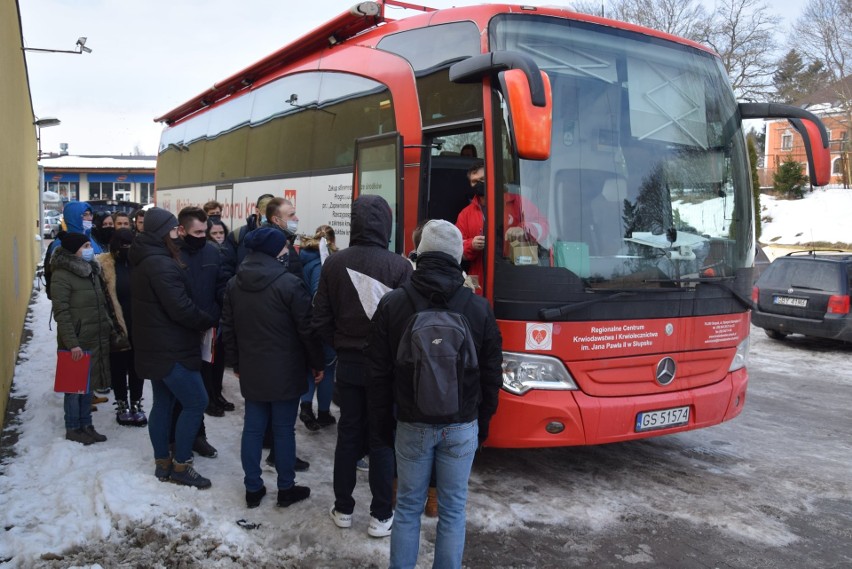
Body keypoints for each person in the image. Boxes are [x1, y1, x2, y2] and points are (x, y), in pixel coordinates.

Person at [366, 220, 503, 568]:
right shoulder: (478, 308)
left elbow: (378, 374)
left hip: (411, 423)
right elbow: (491, 374)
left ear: (420, 253)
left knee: (409, 507)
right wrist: (482, 422)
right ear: (458, 257)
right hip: (461, 424)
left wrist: (383, 425)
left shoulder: (393, 304)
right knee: (453, 509)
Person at [312, 194, 412, 537]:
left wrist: (340, 343)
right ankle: (382, 515)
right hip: (385, 370)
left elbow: (320, 318)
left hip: (350, 365)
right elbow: (408, 324)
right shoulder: (401, 267)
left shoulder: (334, 264)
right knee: (383, 439)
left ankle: (343, 508)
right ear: (386, 223)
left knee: (348, 436)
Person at [221, 228, 325, 508]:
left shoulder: (234, 283)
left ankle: (252, 488)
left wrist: (237, 364)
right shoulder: (290, 284)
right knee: (283, 430)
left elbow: (228, 329)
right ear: (272, 252)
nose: (286, 252)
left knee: (253, 430)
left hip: (252, 367)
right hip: (286, 369)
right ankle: (285, 487)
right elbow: (307, 330)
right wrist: (317, 363)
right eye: (283, 249)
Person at [129, 207, 217, 489]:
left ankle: (162, 463)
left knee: (164, 403)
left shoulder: (147, 258)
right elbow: (180, 308)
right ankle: (181, 464)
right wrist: (206, 320)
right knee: (196, 401)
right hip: (171, 348)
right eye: (172, 229)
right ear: (161, 232)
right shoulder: (162, 264)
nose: (177, 233)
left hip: (155, 346)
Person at [170, 207, 229, 461]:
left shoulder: (213, 252)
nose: (203, 236)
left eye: (205, 231)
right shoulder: (171, 253)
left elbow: (221, 285)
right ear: (182, 230)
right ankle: (175, 439)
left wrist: (218, 314)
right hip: (179, 331)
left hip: (207, 331)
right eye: (198, 231)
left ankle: (198, 436)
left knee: (201, 387)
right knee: (179, 390)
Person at [50, 232, 111, 445]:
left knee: (87, 388)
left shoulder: (91, 270)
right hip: (76, 341)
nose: (89, 249)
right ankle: (73, 427)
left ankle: (87, 424)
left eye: (89, 245)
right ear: (73, 250)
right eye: (85, 246)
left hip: (93, 337)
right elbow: (62, 312)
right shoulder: (62, 275)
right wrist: (72, 343)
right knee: (74, 389)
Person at [455, 163, 549, 294]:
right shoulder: (465, 214)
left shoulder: (517, 202)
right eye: (474, 181)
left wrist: (524, 228)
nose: (478, 184)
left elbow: (544, 226)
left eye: (482, 179)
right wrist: (472, 244)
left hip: (514, 273)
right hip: (479, 279)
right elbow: (456, 247)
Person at [97, 228, 147, 426]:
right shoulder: (104, 265)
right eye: (122, 245)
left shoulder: (141, 263)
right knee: (118, 367)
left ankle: (136, 403)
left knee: (138, 368)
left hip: (140, 324)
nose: (126, 248)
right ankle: (121, 404)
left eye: (130, 244)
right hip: (116, 325)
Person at [297, 225, 338, 431]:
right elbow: (318, 296)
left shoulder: (304, 259)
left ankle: (305, 405)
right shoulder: (321, 265)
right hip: (321, 324)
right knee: (326, 369)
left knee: (310, 366)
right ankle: (321, 413)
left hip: (305, 322)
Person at [228, 193, 275, 266]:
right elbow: (227, 267)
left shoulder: (279, 236)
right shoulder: (237, 235)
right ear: (257, 211)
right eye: (267, 212)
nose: (270, 216)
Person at [263, 197, 303, 278]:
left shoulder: (284, 240)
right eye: (291, 215)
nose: (296, 219)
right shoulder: (275, 245)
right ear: (276, 220)